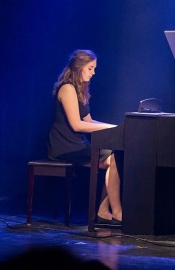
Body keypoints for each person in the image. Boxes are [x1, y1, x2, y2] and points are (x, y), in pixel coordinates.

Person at [47, 49, 122, 225]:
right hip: (64, 145)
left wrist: (115, 128)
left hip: (77, 144)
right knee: (114, 158)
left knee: (116, 157)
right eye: (90, 68)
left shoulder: (80, 90)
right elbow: (77, 125)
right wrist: (111, 128)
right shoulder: (67, 88)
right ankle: (116, 212)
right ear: (79, 67)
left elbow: (89, 120)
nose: (93, 72)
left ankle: (104, 211)